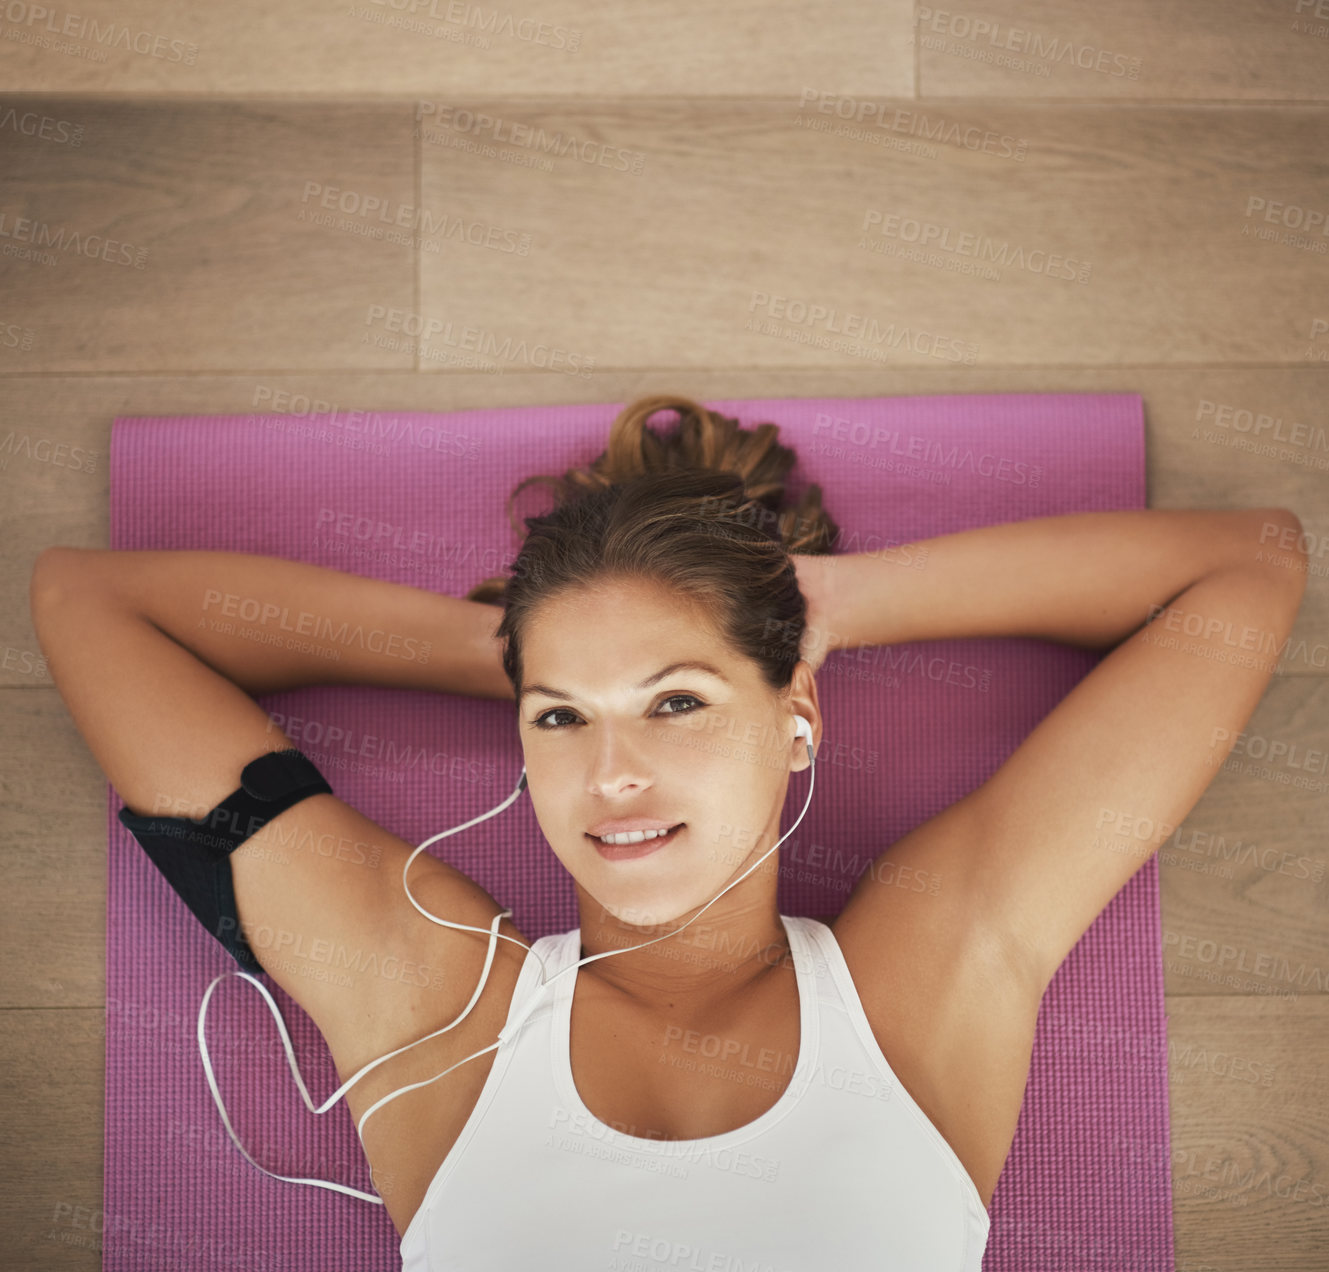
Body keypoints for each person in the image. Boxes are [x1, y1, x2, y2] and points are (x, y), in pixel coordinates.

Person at [29, 394, 1308, 1271]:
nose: (615, 775)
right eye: (561, 720)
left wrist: (810, 610)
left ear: (795, 711)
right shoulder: (433, 1004)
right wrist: (542, 639)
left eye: (678, 704)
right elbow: (86, 602)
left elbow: (1248, 567)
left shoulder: (926, 978)